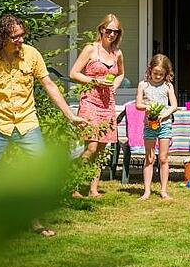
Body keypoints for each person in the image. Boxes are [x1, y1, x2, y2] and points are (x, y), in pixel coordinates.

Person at [0, 13, 87, 236]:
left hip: (26, 122)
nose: (21, 40)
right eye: (16, 36)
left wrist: (70, 116)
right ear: (3, 37)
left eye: (23, 35)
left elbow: (49, 85)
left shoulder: (32, 55)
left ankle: (36, 223)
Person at [69, 14, 125, 198]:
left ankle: (93, 188)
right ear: (101, 29)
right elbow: (74, 73)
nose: (111, 35)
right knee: (91, 147)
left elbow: (120, 74)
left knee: (101, 148)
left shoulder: (117, 53)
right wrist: (94, 81)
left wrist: (114, 87)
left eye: (115, 32)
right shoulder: (90, 49)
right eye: (108, 30)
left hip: (107, 103)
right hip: (90, 101)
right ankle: (74, 184)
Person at [135, 54, 178, 201]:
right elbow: (138, 104)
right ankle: (147, 190)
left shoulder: (168, 86)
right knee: (149, 157)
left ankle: (164, 190)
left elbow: (174, 105)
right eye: (155, 73)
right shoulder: (143, 85)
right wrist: (148, 107)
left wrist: (165, 114)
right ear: (150, 70)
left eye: (161, 74)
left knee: (163, 157)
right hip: (149, 124)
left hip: (164, 124)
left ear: (166, 73)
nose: (158, 76)